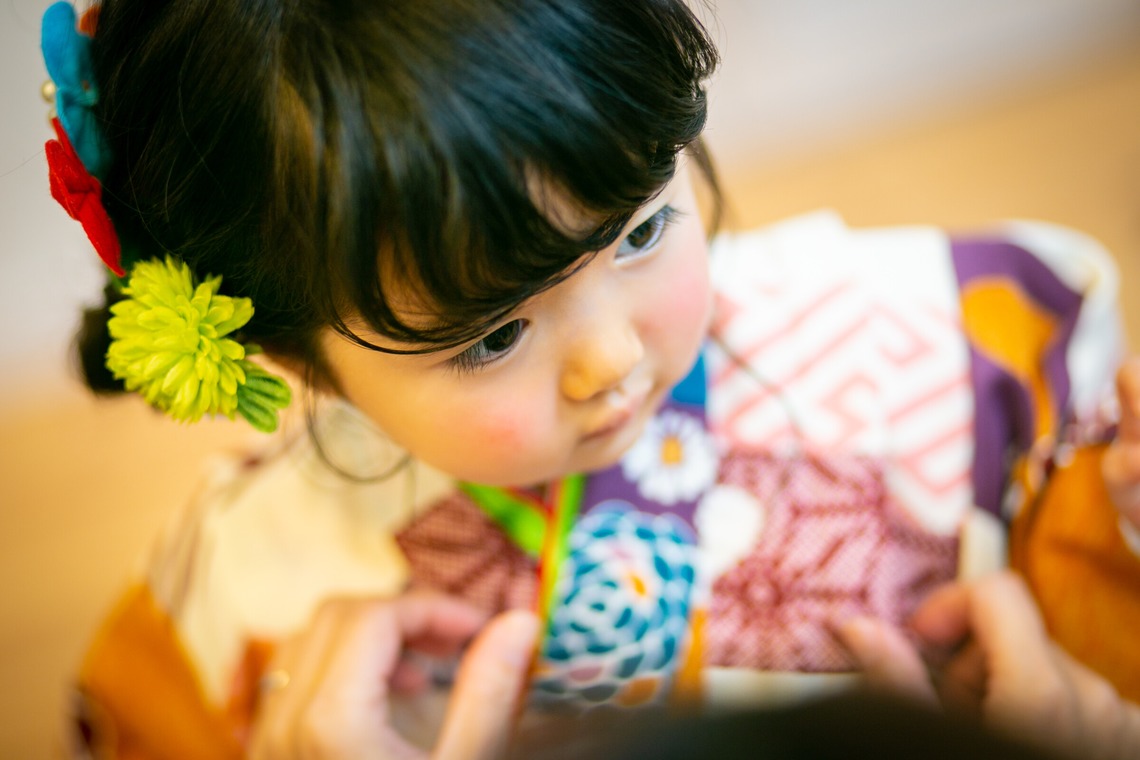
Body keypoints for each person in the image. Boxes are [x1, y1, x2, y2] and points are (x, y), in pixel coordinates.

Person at [37, 0, 1140, 756]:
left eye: (643, 227)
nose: (611, 359)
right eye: (489, 338)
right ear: (284, 354)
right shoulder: (241, 593)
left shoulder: (979, 344)